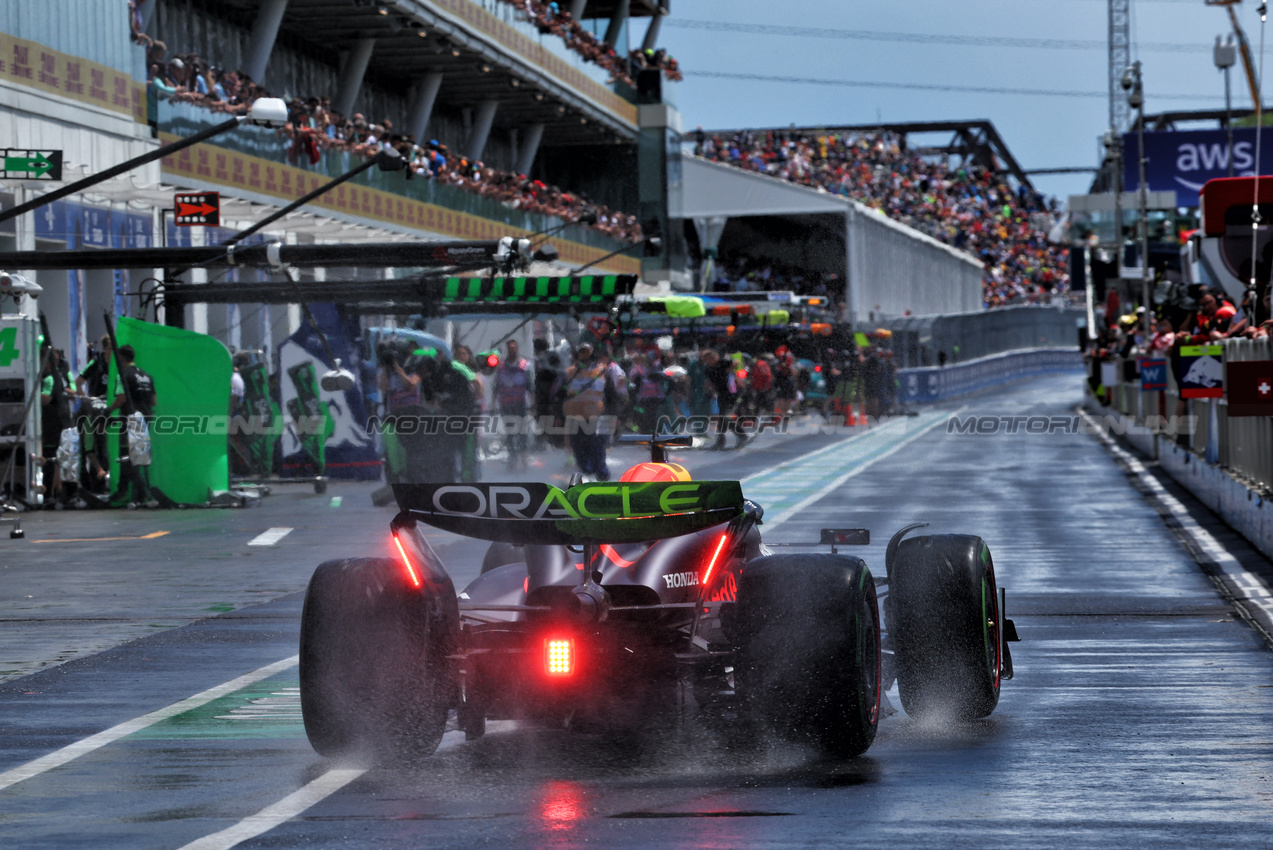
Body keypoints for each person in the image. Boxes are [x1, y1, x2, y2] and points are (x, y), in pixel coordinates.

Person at [107, 344, 157, 507]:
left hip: (130, 418)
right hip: (145, 417)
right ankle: (124, 491)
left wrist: (108, 410)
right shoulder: (147, 375)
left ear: (121, 357)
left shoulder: (123, 374)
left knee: (128, 457)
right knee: (134, 455)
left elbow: (121, 399)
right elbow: (154, 401)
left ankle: (140, 493)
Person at [563, 342, 612, 480]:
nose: (584, 356)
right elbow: (560, 395)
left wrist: (615, 413)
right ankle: (586, 477)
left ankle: (603, 478)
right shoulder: (569, 372)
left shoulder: (603, 370)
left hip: (598, 416)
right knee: (579, 450)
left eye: (587, 352)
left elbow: (611, 393)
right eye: (582, 352)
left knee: (598, 449)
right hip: (575, 417)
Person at [493, 339, 533, 470]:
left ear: (517, 349)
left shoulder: (524, 365)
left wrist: (533, 403)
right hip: (506, 404)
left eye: (514, 348)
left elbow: (530, 386)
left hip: (520, 404)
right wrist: (493, 403)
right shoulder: (501, 367)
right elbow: (496, 386)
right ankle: (512, 458)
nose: (512, 351)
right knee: (510, 432)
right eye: (509, 348)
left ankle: (524, 458)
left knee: (522, 432)